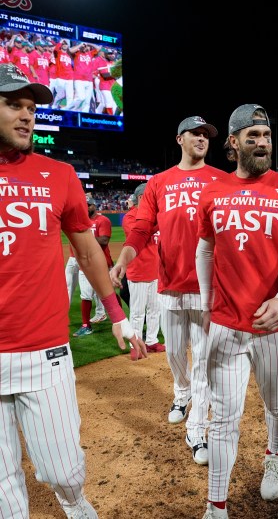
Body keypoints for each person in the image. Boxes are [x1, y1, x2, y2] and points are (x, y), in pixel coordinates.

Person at [0, 62, 146, 519]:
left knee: (63, 469)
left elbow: (86, 252)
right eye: (13, 105)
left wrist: (117, 314)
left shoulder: (58, 175)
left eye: (31, 107)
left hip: (43, 347)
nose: (27, 115)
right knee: (3, 486)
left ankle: (75, 503)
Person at [195, 103, 278, 519]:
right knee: (224, 417)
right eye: (253, 136)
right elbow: (205, 248)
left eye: (266, 135)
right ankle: (216, 506)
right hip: (227, 323)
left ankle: (275, 454)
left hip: (274, 324)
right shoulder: (212, 190)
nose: (263, 143)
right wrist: (209, 303)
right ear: (233, 142)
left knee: (276, 404)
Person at [110, 115, 227, 466]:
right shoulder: (160, 183)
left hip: (209, 289)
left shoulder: (221, 179)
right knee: (176, 354)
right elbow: (142, 229)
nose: (203, 139)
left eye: (207, 134)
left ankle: (197, 428)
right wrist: (123, 259)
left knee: (205, 362)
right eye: (196, 133)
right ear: (180, 139)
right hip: (171, 286)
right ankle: (180, 393)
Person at [121, 183, 165, 359]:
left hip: (156, 272)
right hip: (138, 272)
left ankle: (152, 340)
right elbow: (142, 234)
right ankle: (136, 343)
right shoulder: (130, 217)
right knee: (137, 312)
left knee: (155, 310)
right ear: (141, 198)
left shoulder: (155, 216)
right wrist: (161, 219)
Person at [73, 198, 116, 336]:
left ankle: (119, 322)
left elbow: (104, 240)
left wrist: (83, 239)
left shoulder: (103, 220)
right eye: (83, 205)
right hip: (84, 265)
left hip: (103, 263)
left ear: (93, 205)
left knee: (110, 294)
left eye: (88, 205)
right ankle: (86, 325)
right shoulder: (81, 221)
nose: (85, 208)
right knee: (85, 295)